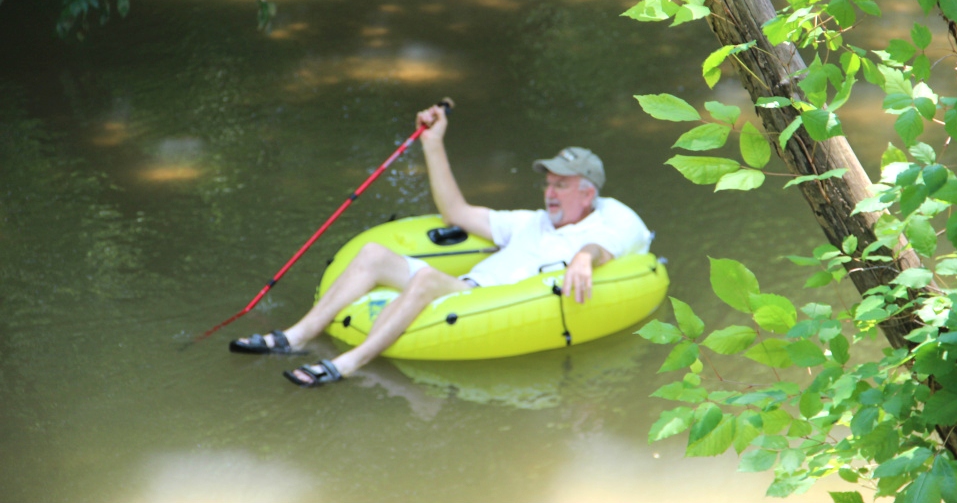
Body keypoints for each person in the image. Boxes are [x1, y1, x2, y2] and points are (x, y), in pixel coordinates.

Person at [230, 104, 651, 387]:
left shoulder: (603, 227)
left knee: (429, 278)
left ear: (588, 194)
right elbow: (456, 211)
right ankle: (296, 335)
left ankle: (348, 364)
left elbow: (606, 247)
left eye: (561, 185)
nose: (549, 192)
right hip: (464, 285)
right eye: (547, 183)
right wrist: (434, 143)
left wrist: (581, 257)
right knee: (374, 254)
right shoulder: (528, 222)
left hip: (486, 300)